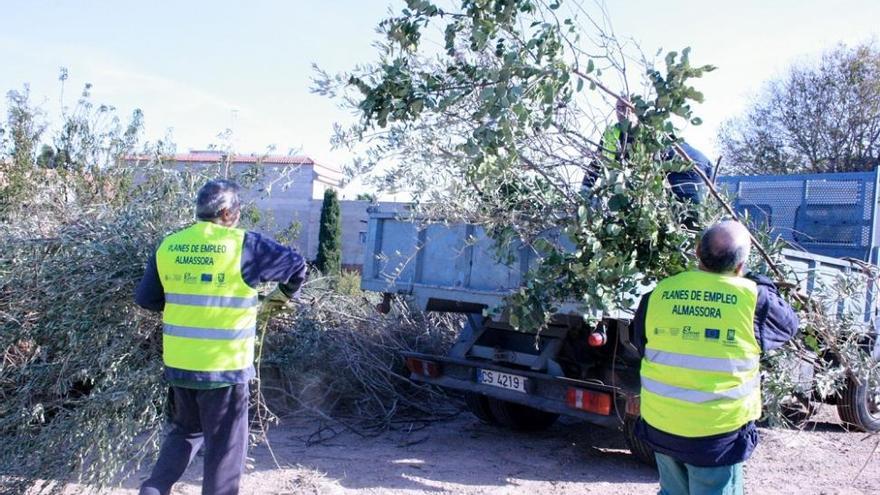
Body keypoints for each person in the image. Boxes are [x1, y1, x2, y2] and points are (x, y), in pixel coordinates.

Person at [135, 179, 306, 495]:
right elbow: (297, 266)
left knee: (184, 433)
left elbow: (146, 299)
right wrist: (273, 305)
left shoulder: (169, 245)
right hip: (224, 371)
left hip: (180, 366)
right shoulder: (246, 246)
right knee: (224, 455)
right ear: (228, 213)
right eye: (237, 210)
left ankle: (154, 489)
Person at [632, 220, 800, 495]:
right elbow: (789, 326)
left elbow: (642, 344)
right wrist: (760, 282)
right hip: (716, 436)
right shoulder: (753, 299)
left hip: (662, 425)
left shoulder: (658, 294)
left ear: (697, 250)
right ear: (741, 264)